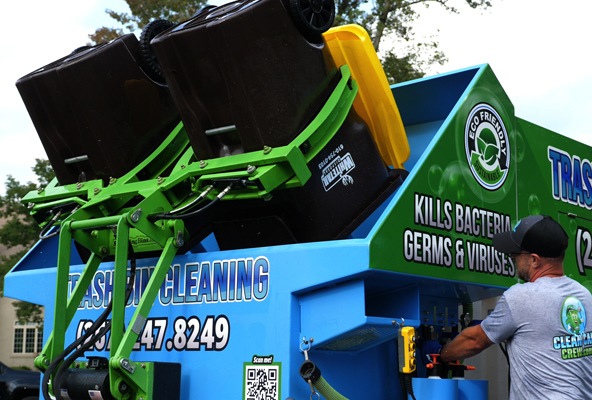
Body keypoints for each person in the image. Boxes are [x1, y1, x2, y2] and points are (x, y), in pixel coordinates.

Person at [435, 215, 592, 399]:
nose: (512, 259)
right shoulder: (584, 296)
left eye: (515, 254)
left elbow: (475, 341)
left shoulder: (521, 296)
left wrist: (441, 355)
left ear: (534, 260)